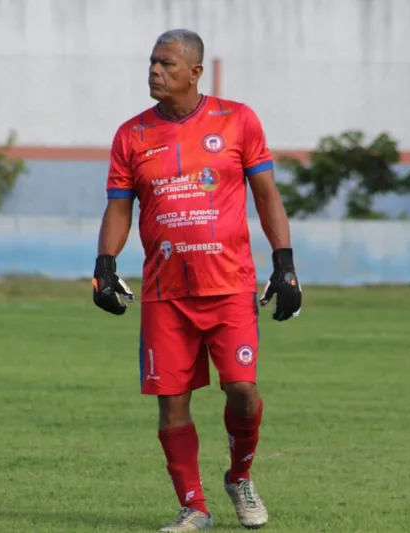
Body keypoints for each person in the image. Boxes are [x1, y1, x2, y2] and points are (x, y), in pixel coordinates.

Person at [91, 29, 302, 532]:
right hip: (166, 294)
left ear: (195, 72)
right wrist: (104, 265)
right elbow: (119, 207)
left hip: (229, 286)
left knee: (243, 389)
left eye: (165, 64)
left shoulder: (238, 120)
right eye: (151, 62)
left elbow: (267, 196)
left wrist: (285, 263)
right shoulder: (131, 135)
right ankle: (194, 508)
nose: (154, 71)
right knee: (172, 404)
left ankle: (240, 476)